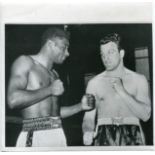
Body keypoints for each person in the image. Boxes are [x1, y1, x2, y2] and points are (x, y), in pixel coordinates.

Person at [7, 27, 95, 147]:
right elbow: (13, 99)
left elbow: (55, 115)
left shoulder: (55, 75)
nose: (67, 53)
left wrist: (80, 106)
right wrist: (50, 90)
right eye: (64, 47)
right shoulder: (25, 62)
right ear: (50, 44)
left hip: (57, 133)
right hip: (34, 133)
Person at [82, 33, 151, 146]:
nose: (106, 58)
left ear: (121, 53)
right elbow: (88, 117)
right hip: (103, 135)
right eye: (102, 54)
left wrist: (122, 91)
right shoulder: (93, 83)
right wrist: (88, 131)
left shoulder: (139, 79)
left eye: (110, 52)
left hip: (133, 135)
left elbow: (145, 116)